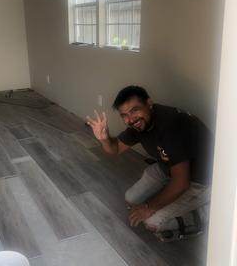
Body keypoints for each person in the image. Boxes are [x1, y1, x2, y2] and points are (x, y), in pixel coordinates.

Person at [86, 85, 213, 241]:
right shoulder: (140, 124)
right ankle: (168, 198)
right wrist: (104, 139)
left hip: (200, 180)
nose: (130, 119)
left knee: (152, 222)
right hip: (169, 167)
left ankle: (204, 212)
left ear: (149, 103)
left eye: (134, 110)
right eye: (124, 115)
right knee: (131, 199)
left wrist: (149, 208)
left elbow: (181, 182)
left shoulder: (171, 127)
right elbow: (116, 149)